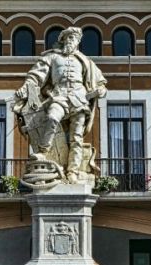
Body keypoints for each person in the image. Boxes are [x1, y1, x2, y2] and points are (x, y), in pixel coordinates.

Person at [14, 27, 107, 184]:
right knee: (51, 118)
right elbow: (36, 76)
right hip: (59, 95)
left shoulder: (85, 61)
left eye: (74, 38)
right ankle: (43, 152)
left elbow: (101, 82)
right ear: (63, 40)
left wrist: (101, 90)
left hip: (80, 98)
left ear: (78, 41)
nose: (71, 40)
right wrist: (26, 88)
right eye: (69, 37)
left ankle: (73, 171)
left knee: (76, 137)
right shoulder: (52, 57)